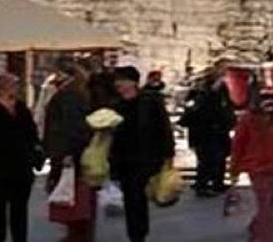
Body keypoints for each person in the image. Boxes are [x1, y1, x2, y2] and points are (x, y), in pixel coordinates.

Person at [108, 66, 175, 242]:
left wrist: (168, 154)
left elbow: (164, 128)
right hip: (123, 159)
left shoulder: (151, 101)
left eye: (121, 80)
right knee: (132, 199)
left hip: (147, 156)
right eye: (117, 81)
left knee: (139, 197)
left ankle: (139, 233)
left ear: (133, 82)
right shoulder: (115, 104)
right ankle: (136, 234)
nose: (118, 84)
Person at [0, 72, 45, 242]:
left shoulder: (21, 108)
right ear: (0, 88)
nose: (17, 87)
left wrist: (35, 154)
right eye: (12, 84)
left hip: (22, 167)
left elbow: (32, 133)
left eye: (16, 84)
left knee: (20, 210)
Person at [43, 58, 96, 242]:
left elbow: (72, 127)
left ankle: (77, 237)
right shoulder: (74, 93)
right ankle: (77, 235)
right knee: (75, 199)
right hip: (72, 153)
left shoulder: (70, 95)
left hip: (71, 155)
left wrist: (67, 153)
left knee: (74, 199)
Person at [230, 90, 273, 242]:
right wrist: (234, 168)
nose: (270, 104)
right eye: (266, 100)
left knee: (272, 199)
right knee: (265, 202)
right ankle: (267, 237)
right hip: (256, 167)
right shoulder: (248, 119)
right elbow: (238, 145)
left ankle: (257, 226)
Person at [180, 63, 236, 196]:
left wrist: (228, 121)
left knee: (219, 156)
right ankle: (203, 184)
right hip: (205, 131)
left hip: (218, 130)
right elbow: (198, 110)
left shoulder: (221, 90)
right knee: (206, 158)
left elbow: (227, 107)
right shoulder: (200, 92)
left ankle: (217, 182)